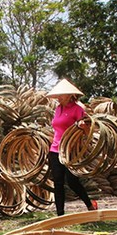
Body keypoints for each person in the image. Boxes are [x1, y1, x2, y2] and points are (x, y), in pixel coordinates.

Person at [46, 78, 98, 216]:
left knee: (72, 181)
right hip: (55, 149)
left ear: (69, 95)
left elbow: (88, 131)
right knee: (58, 182)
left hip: (71, 151)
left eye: (61, 95)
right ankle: (60, 215)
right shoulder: (58, 109)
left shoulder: (77, 109)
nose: (58, 97)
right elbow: (57, 128)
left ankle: (89, 205)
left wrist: (83, 127)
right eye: (57, 95)